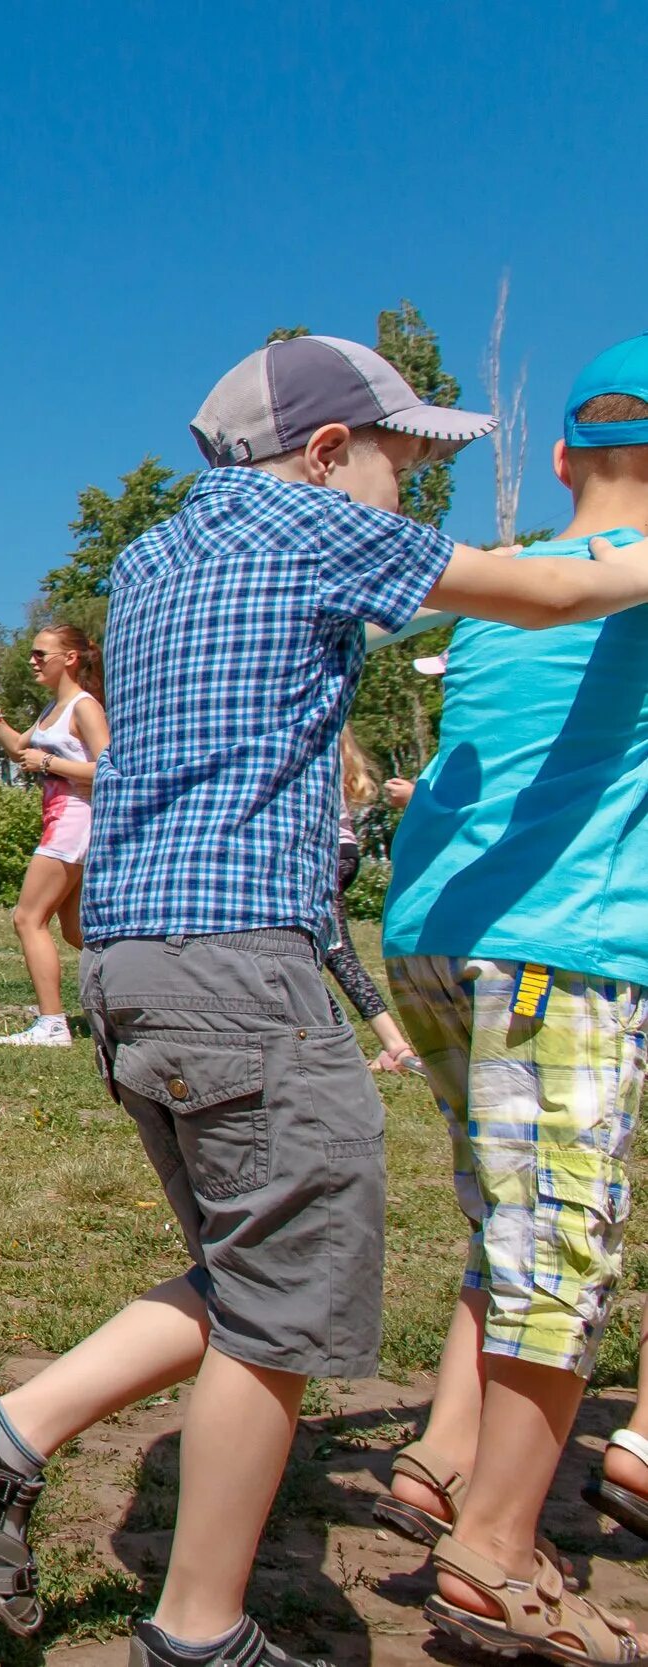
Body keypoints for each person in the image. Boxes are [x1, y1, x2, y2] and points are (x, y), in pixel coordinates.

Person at [0, 332, 648, 1667]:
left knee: (260, 1264)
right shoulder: (315, 528)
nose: (410, 498)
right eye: (404, 464)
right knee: (287, 1304)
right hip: (245, 962)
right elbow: (536, 591)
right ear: (321, 456)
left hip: (136, 964)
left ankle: (2, 1434)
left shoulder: (151, 555)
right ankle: (197, 1629)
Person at [367, 335, 648, 1660]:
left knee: (508, 1218)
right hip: (564, 943)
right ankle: (494, 1553)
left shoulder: (505, 581)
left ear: (557, 457)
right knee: (563, 1253)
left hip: (431, 938)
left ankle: (440, 1456)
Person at [0, 625, 108, 1047]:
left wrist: (49, 762)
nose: (32, 660)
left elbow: (108, 768)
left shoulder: (84, 707)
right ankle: (133, 1002)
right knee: (77, 932)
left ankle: (52, 1024)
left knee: (28, 918)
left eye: (40, 654)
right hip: (61, 820)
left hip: (76, 821)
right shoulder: (55, 708)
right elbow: (17, 747)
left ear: (69, 658)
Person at [328, 729, 417, 1073]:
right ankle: (392, 1044)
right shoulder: (333, 739)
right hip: (345, 851)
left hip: (322, 852)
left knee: (324, 950)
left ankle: (384, 1047)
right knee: (332, 950)